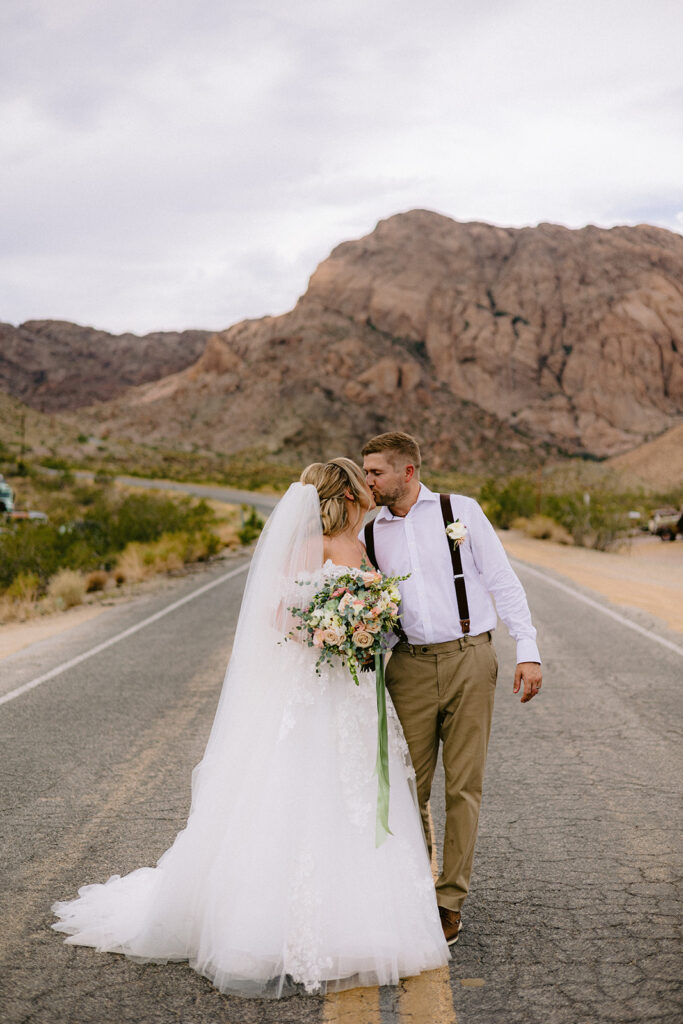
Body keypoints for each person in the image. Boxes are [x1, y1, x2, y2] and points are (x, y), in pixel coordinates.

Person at [52, 458, 450, 997]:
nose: (368, 491)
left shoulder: (361, 546)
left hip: (353, 692)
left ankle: (367, 919)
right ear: (347, 495)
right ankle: (271, 927)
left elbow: (372, 610)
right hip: (316, 689)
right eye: (362, 484)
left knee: (354, 795)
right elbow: (278, 615)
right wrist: (330, 632)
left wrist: (365, 623)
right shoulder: (312, 545)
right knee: (298, 792)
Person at [360, 432, 542, 945]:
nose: (369, 481)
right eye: (366, 472)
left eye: (376, 472)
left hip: (469, 657)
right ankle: (411, 890)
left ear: (407, 472)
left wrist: (527, 648)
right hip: (408, 667)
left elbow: (502, 579)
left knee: (464, 786)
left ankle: (448, 901)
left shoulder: (458, 511)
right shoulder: (372, 534)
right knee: (404, 790)